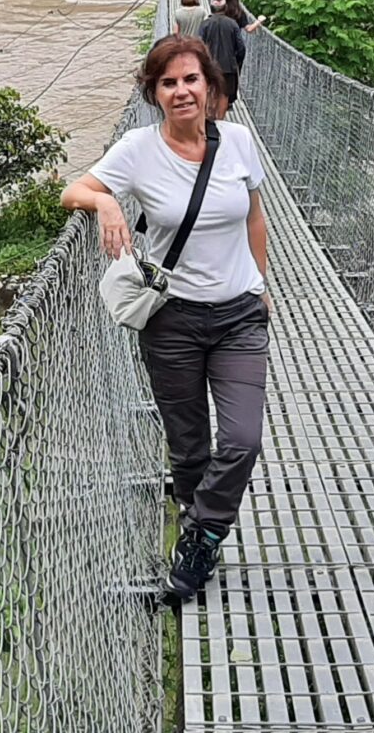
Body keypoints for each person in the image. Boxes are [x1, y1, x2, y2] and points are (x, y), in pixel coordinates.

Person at [63, 36, 271, 599]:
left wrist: (261, 284)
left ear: (209, 86)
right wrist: (106, 201)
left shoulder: (238, 142)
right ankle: (196, 532)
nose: (181, 91)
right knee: (189, 446)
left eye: (190, 79)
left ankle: (202, 535)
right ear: (153, 93)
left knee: (243, 439)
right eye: (168, 82)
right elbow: (72, 190)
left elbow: (254, 216)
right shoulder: (137, 149)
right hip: (172, 320)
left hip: (238, 316)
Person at [199, 0, 247, 112]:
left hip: (210, 67)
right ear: (225, 8)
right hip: (228, 67)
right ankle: (220, 119)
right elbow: (241, 48)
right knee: (225, 95)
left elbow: (199, 45)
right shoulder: (233, 24)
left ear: (211, 8)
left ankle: (210, 117)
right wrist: (237, 62)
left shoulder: (205, 24)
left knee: (210, 93)